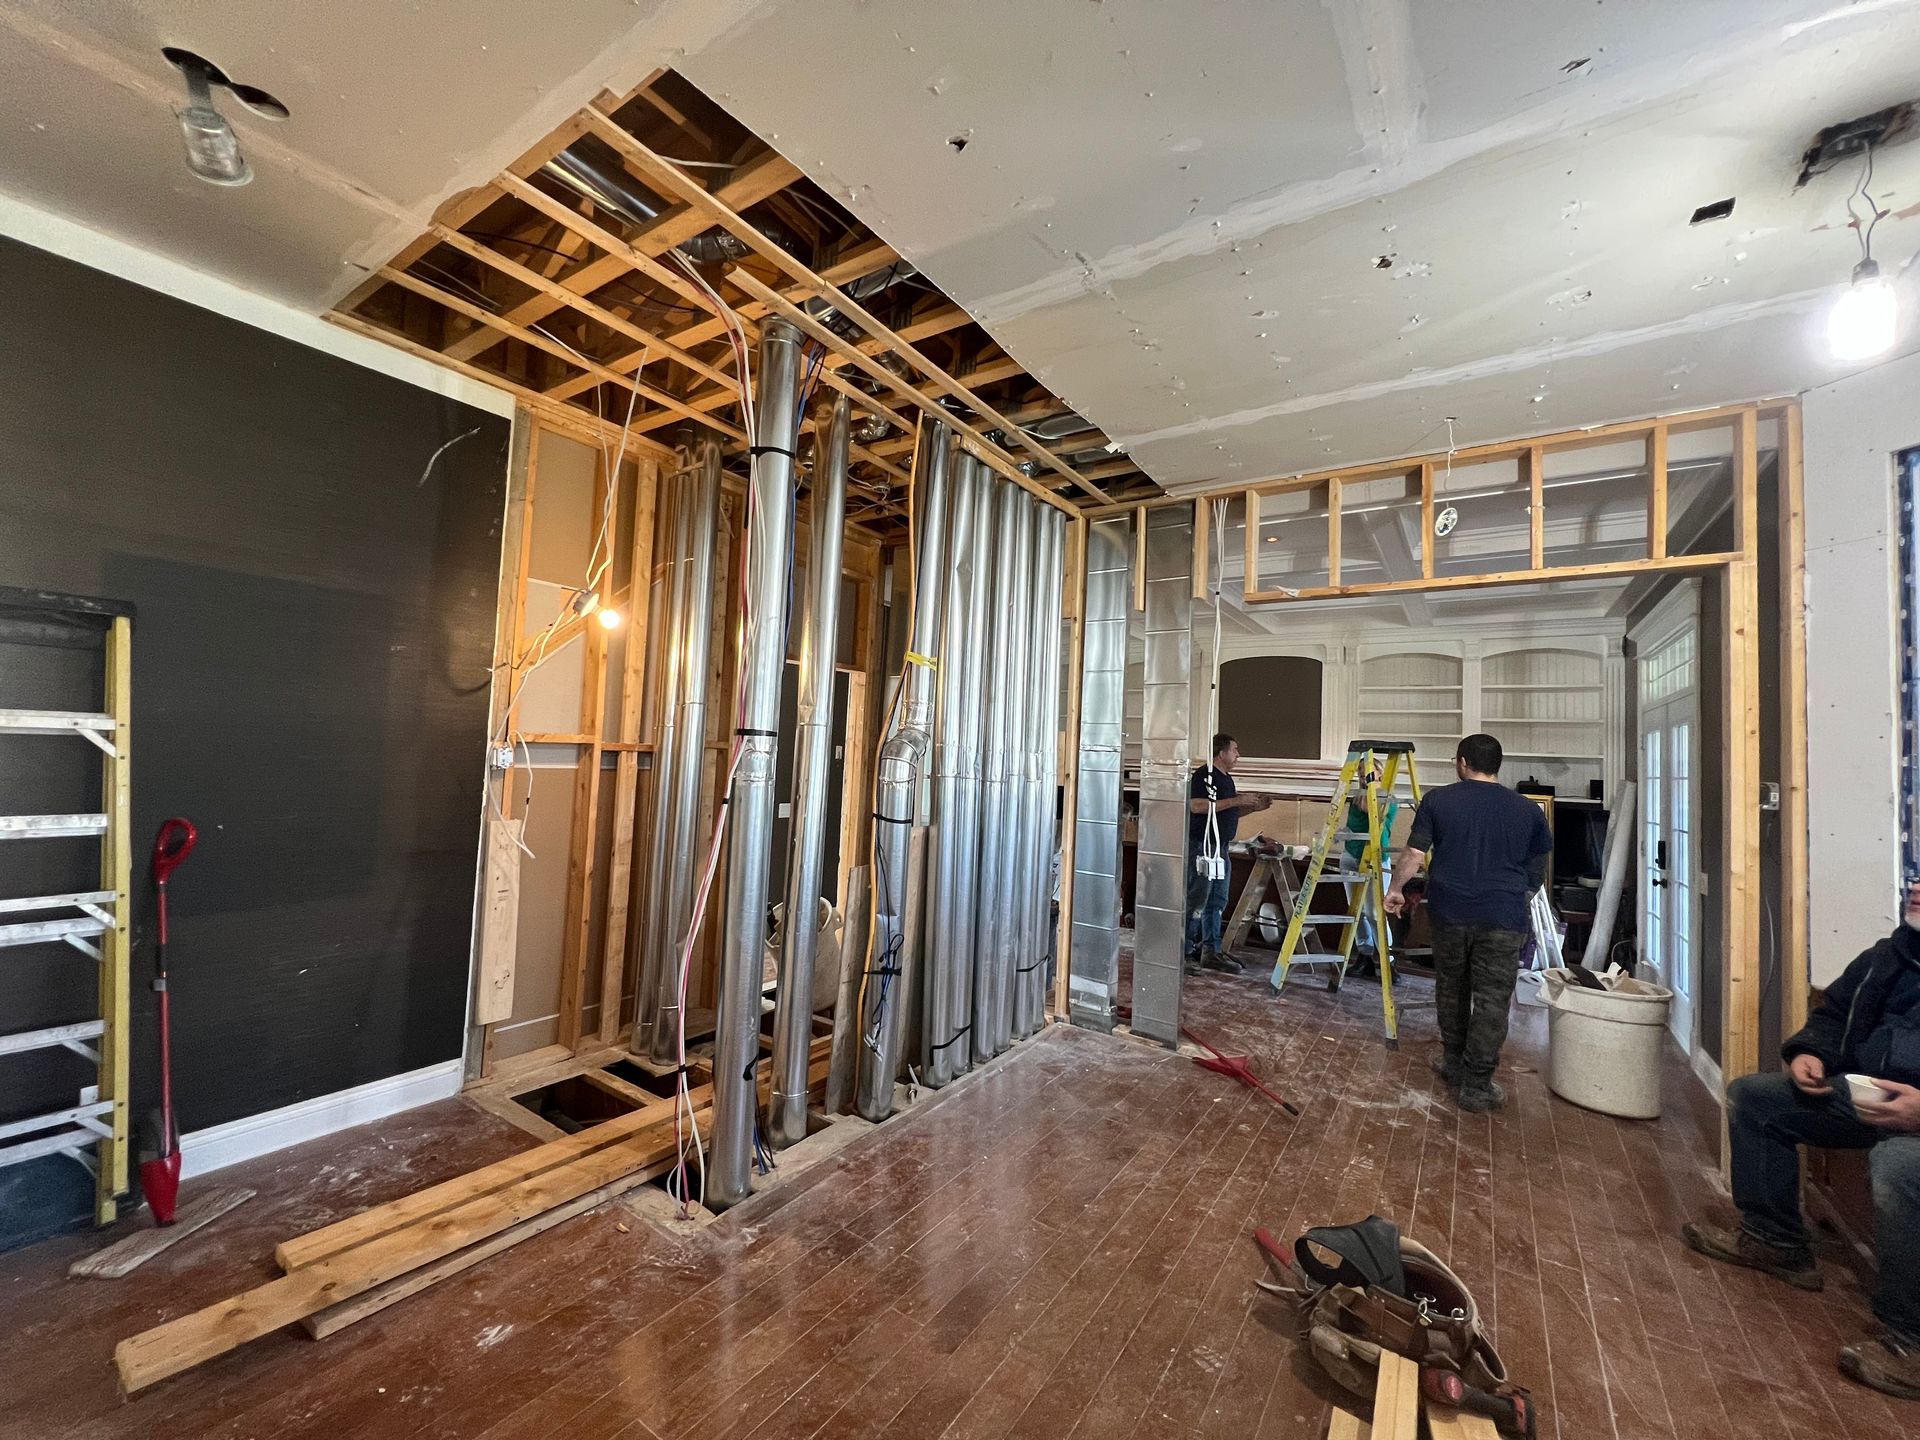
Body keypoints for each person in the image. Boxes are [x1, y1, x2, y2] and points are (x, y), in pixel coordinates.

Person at [1680, 882, 1920, 1401]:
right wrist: (1809, 1053)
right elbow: (1834, 1014)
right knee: (1756, 1098)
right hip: (1870, 1097)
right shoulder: (1892, 955)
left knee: (1900, 1167)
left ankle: (1913, 1342)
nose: (1915, 886)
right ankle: (1776, 1241)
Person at [1383, 734, 1551, 1113]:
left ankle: (1453, 1061)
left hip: (1450, 911)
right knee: (1492, 999)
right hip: (1503, 917)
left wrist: (1395, 888)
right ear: (1498, 764)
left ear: (1462, 762)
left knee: (1452, 987)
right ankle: (1476, 1085)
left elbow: (1413, 853)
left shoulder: (1439, 800)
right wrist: (1514, 898)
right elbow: (1536, 870)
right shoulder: (1528, 810)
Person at [1186, 732, 1271, 975]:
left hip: (1220, 847)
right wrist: (1237, 801)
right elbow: (1197, 806)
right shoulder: (1204, 776)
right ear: (1221, 753)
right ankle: (1184, 952)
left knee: (1217, 900)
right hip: (1203, 846)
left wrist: (1252, 808)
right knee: (1198, 900)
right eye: (1235, 750)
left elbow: (1225, 812)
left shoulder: (1226, 779)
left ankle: (1211, 950)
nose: (1238, 755)